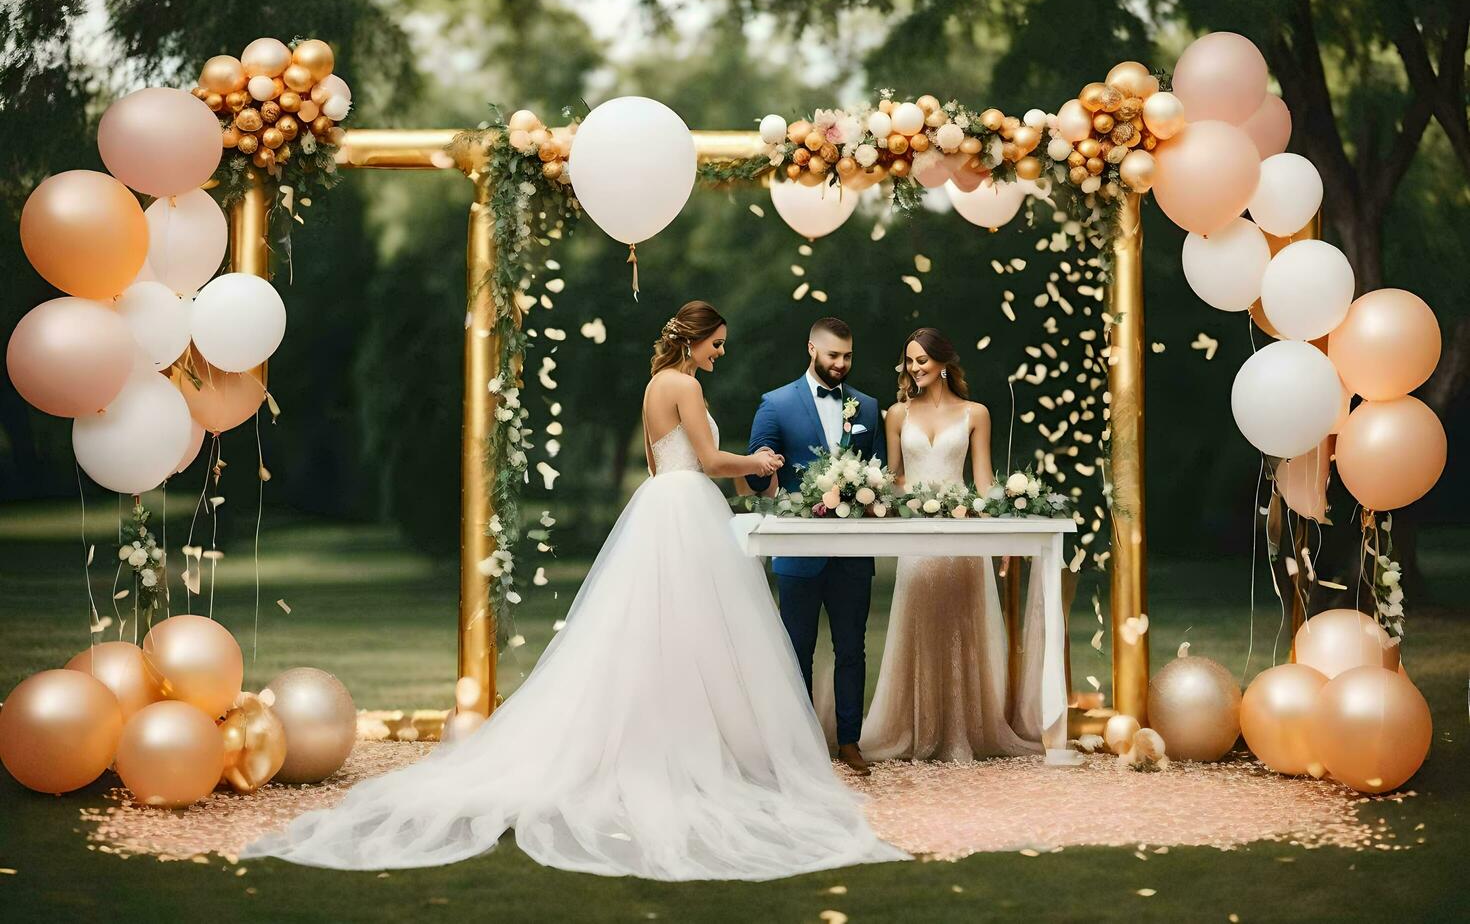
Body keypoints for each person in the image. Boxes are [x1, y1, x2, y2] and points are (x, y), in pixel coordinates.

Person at [239, 301, 908, 881]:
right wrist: (758, 462)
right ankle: (696, 752)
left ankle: (670, 742)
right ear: (694, 340)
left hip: (658, 504)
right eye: (717, 343)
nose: (721, 353)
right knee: (698, 632)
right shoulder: (688, 388)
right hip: (686, 508)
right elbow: (708, 461)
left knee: (655, 634)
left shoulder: (654, 386)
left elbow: (660, 459)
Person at [858, 327, 1041, 761]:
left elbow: (983, 482)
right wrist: (879, 496)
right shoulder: (896, 414)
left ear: (943, 362)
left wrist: (1003, 524)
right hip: (916, 536)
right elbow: (897, 478)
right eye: (909, 360)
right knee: (919, 623)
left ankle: (964, 731)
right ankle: (916, 729)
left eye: (922, 360)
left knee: (962, 627)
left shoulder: (975, 413)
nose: (915, 368)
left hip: (964, 533)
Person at [744, 317, 884, 777]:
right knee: (796, 648)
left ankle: (849, 741)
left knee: (852, 648)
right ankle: (799, 747)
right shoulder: (775, 403)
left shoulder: (867, 407)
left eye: (847, 357)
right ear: (811, 349)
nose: (841, 365)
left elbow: (877, 474)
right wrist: (764, 470)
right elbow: (753, 472)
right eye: (832, 356)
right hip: (798, 551)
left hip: (853, 554)